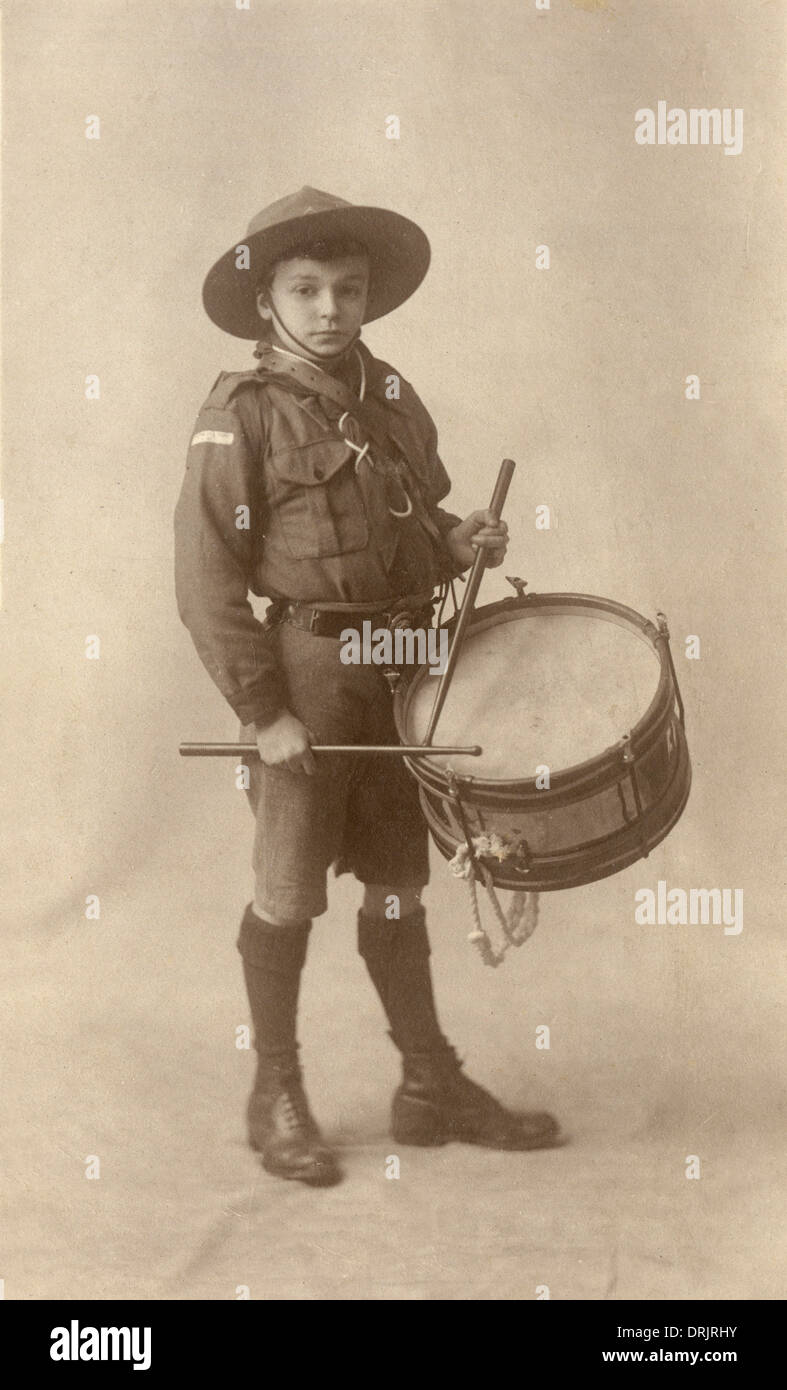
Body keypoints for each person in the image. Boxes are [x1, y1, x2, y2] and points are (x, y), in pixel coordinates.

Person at [175, 187, 561, 1186]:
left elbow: (415, 515)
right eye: (305, 290)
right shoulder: (240, 417)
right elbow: (206, 579)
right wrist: (263, 716)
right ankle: (277, 1090)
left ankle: (427, 1081)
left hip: (404, 669)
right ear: (267, 301)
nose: (329, 309)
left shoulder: (388, 396)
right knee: (290, 889)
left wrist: (457, 537)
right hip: (307, 676)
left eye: (347, 290)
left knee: (398, 883)